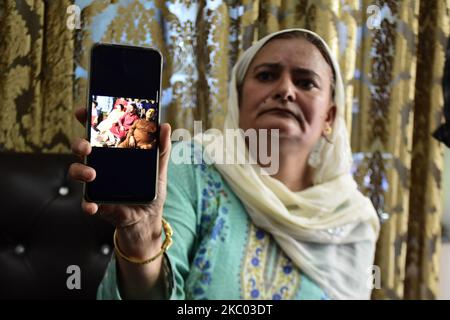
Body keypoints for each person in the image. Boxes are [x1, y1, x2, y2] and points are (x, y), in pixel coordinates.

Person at [69, 28, 380, 300]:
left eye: (305, 82)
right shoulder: (190, 169)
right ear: (239, 98)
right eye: (267, 76)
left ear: (329, 117)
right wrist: (140, 236)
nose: (285, 90)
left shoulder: (352, 221)